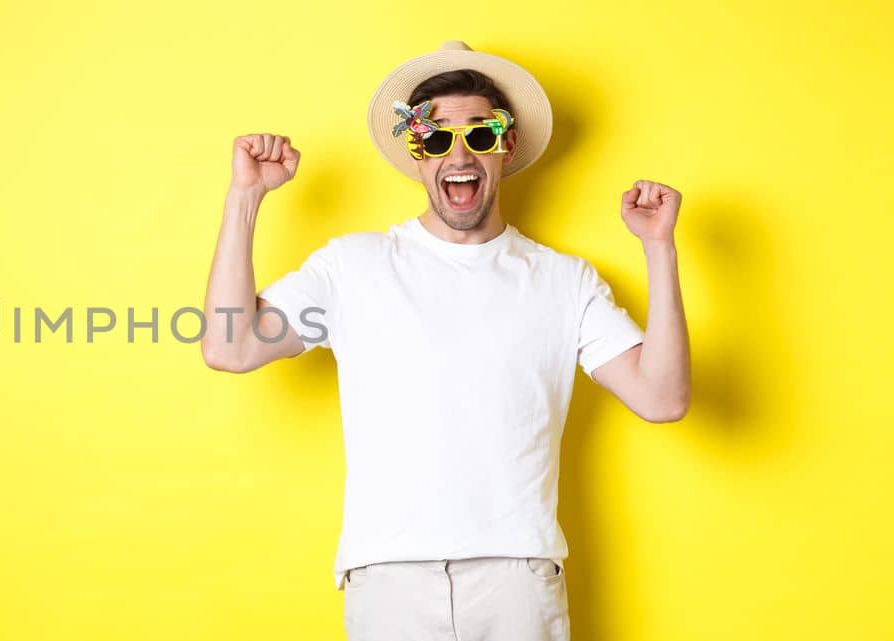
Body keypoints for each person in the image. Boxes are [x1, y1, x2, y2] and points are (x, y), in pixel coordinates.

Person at [199, 41, 691, 641]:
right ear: (416, 153)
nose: (458, 153)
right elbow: (229, 346)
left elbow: (662, 399)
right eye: (436, 139)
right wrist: (245, 196)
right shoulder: (352, 267)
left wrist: (659, 248)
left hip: (517, 578)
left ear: (505, 146)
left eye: (480, 136)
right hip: (388, 579)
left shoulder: (565, 281)